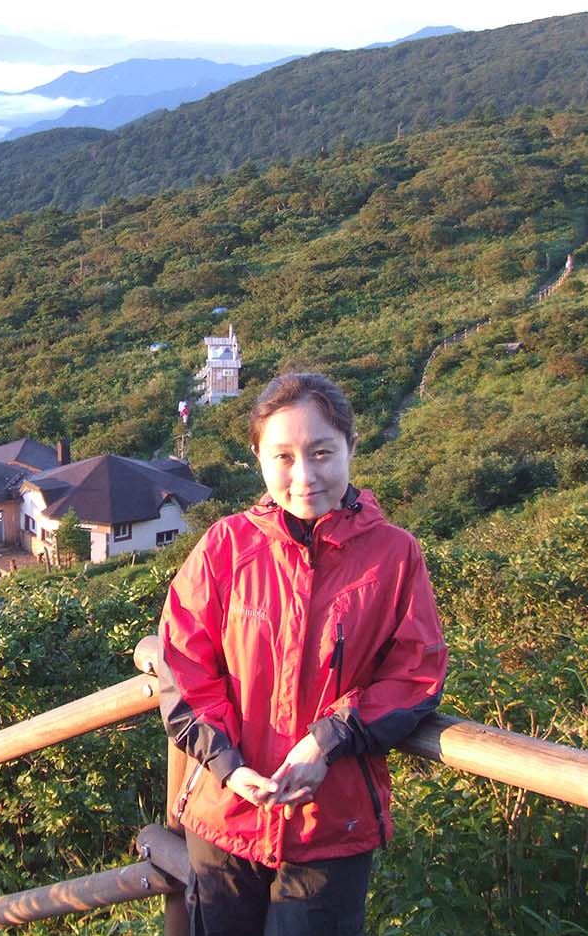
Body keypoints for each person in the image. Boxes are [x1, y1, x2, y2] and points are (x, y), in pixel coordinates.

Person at [158, 372, 447, 935]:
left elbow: (417, 672)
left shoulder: (394, 556)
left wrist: (328, 739)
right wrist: (229, 767)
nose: (305, 476)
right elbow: (184, 664)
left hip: (330, 826)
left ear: (351, 447)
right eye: (284, 457)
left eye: (321, 453)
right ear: (258, 458)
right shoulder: (226, 546)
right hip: (225, 815)